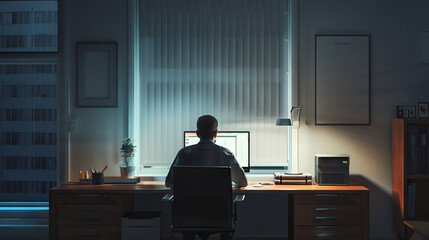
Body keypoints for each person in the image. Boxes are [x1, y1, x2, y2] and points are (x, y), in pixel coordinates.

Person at [165, 114, 248, 188]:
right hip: (218, 205)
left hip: (190, 205)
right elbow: (243, 182)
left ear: (197, 133)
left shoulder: (183, 153)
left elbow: (169, 183)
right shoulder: (226, 154)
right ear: (216, 134)